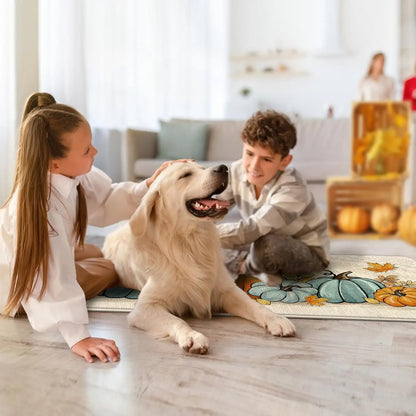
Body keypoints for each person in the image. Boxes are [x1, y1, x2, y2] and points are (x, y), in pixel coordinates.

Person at [0, 92, 185, 363]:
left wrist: (148, 186)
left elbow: (106, 199)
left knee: (92, 251)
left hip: (20, 254)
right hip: (14, 284)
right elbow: (49, 275)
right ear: (55, 162)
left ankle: (81, 257)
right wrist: (79, 337)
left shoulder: (67, 174)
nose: (95, 152)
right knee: (108, 266)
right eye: (87, 150)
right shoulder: (40, 209)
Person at [217, 110, 330, 286]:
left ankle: (245, 265)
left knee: (268, 248)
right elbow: (213, 208)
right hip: (256, 238)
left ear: (285, 162)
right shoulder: (236, 171)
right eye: (249, 153)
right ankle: (251, 265)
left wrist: (204, 236)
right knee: (201, 240)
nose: (254, 166)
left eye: (267, 159)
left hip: (305, 250)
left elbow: (252, 229)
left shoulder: (293, 187)